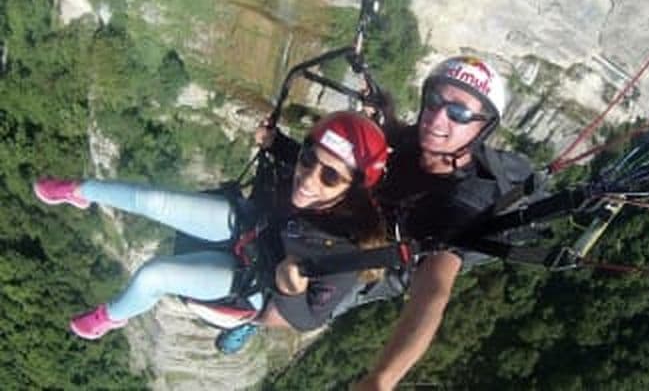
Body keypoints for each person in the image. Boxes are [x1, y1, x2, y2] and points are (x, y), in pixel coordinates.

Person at [33, 111, 389, 346]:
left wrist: (290, 290)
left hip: (252, 279)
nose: (309, 178)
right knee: (153, 201)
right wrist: (277, 143)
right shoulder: (317, 172)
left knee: (154, 276)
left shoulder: (345, 251)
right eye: (308, 160)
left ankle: (110, 317)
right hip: (250, 224)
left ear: (351, 190)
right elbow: (315, 157)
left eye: (329, 177)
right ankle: (79, 192)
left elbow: (309, 319)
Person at [357, 56, 535, 390]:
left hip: (381, 262)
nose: (438, 117)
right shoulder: (422, 142)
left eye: (459, 113)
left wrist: (383, 378)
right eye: (435, 101)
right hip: (373, 217)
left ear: (482, 128)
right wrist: (384, 107)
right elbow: (399, 134)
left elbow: (433, 293)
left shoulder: (464, 203)